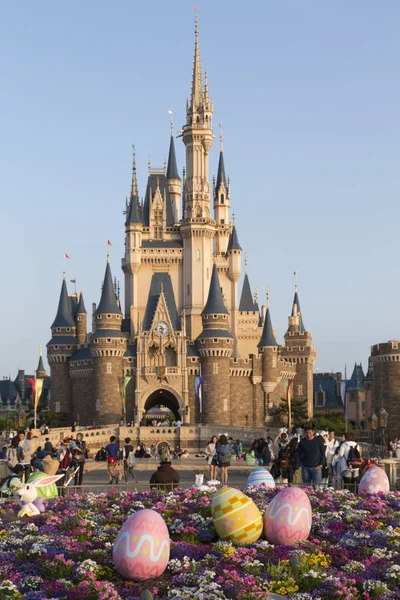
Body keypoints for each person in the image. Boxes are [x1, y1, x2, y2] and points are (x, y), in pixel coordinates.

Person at [295, 424, 326, 489]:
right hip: (305, 467)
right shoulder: (302, 442)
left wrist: (321, 465)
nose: (309, 435)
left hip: (316, 468)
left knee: (316, 487)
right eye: (307, 433)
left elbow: (323, 453)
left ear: (313, 432)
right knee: (306, 487)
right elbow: (298, 454)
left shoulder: (319, 441)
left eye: (310, 433)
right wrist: (297, 467)